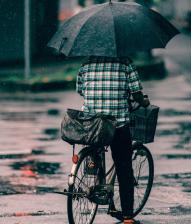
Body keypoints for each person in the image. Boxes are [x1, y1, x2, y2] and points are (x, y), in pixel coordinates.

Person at [76, 56, 150, 224]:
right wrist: (144, 101)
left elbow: (80, 90)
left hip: (92, 124)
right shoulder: (125, 63)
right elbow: (136, 94)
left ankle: (93, 170)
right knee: (124, 168)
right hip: (117, 125)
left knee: (95, 153)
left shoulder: (86, 64)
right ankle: (127, 217)